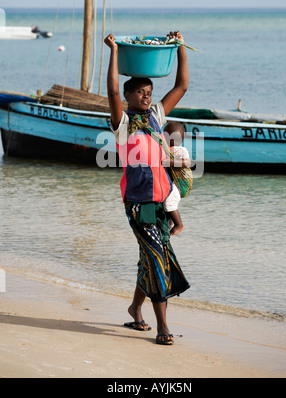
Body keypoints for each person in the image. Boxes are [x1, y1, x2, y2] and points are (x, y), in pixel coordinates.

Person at [104, 31, 190, 346]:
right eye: (141, 92)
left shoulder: (156, 117)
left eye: (150, 91)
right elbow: (112, 88)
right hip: (139, 205)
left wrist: (180, 47)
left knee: (150, 258)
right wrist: (114, 51)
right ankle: (163, 328)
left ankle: (135, 308)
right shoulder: (122, 124)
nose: (147, 96)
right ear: (128, 96)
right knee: (157, 259)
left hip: (162, 201)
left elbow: (181, 86)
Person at [162, 122, 191, 236]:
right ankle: (171, 222)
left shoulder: (180, 150)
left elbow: (187, 162)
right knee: (168, 202)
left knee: (170, 202)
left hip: (180, 182)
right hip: (173, 181)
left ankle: (179, 224)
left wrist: (171, 162)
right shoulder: (167, 148)